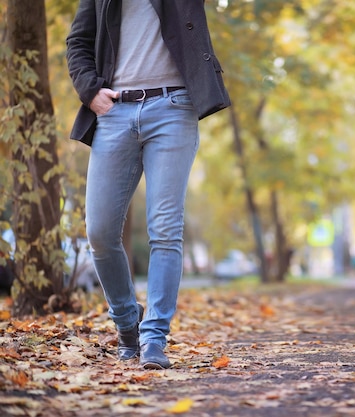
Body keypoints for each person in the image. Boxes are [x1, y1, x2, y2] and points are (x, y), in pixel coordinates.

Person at [66, 0, 230, 369]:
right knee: (100, 232)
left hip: (175, 107)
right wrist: (89, 90)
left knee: (165, 229)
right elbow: (78, 41)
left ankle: (154, 337)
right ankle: (127, 322)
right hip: (115, 112)